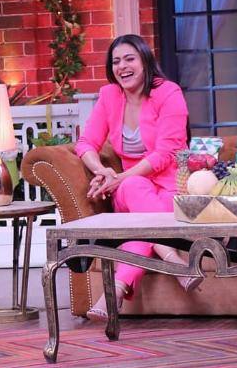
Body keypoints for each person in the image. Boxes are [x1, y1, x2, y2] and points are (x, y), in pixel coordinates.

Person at [75, 34, 201, 322]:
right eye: (116, 61)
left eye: (129, 59)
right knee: (133, 186)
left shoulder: (168, 92)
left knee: (141, 226)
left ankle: (116, 290)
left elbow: (167, 152)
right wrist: (102, 171)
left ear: (145, 61)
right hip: (130, 190)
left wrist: (119, 177)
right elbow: (86, 143)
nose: (122, 66)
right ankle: (173, 259)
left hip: (170, 187)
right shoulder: (109, 96)